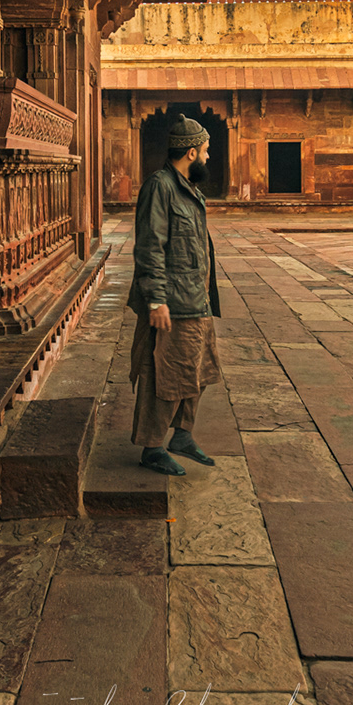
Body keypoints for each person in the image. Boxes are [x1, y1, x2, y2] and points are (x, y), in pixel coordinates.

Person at [127, 116, 222, 476]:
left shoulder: (188, 188)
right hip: (172, 303)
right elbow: (150, 245)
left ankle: (182, 435)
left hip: (195, 299)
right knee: (162, 375)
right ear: (192, 152)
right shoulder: (160, 187)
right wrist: (156, 300)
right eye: (206, 152)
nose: (209, 158)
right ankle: (152, 448)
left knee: (197, 370)